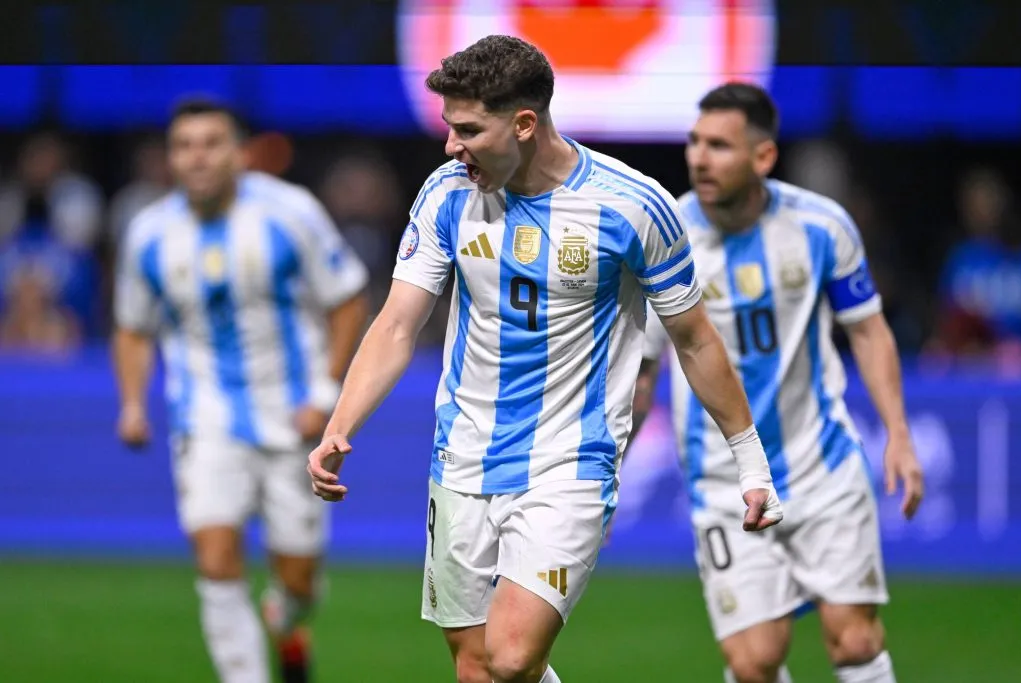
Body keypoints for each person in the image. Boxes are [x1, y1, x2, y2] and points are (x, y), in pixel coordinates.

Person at [307, 35, 783, 683]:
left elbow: (695, 338)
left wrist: (750, 461)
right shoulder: (447, 193)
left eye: (469, 129)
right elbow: (396, 322)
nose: (451, 146)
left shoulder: (634, 206)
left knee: (509, 653)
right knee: (479, 669)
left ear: (525, 123)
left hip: (571, 459)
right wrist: (342, 424)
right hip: (462, 456)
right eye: (450, 128)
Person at [634, 83, 924, 683]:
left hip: (823, 466)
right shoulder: (665, 239)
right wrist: (612, 463)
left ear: (763, 157)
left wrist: (898, 432)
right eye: (694, 141)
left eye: (719, 145)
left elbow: (869, 332)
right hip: (722, 481)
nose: (698, 157)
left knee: (855, 640)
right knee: (753, 661)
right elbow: (643, 369)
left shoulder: (822, 227)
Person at [113, 98, 369, 683]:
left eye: (210, 143)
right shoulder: (150, 234)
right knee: (216, 556)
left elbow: (349, 298)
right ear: (171, 158)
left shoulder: (290, 212)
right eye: (184, 145)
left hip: (294, 421)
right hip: (203, 420)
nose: (196, 157)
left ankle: (286, 621)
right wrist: (132, 403)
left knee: (300, 582)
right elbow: (132, 326)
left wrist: (326, 393)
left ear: (239, 153)